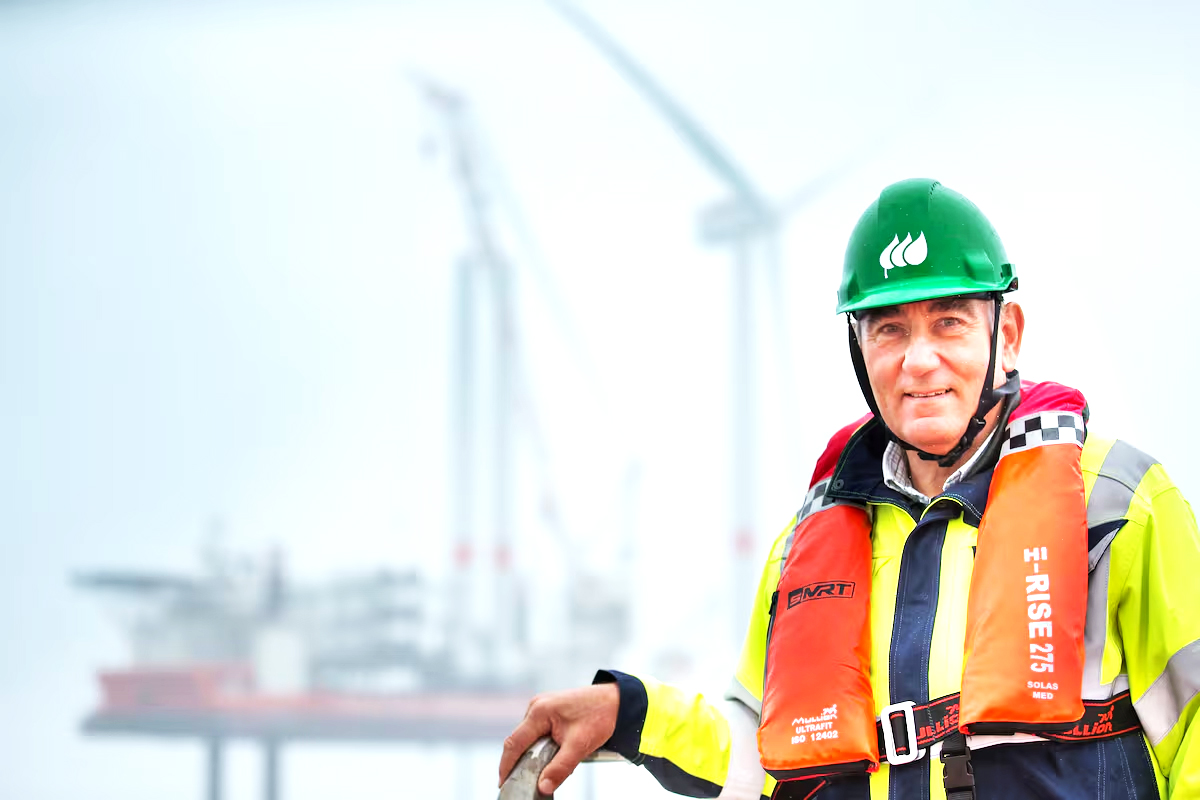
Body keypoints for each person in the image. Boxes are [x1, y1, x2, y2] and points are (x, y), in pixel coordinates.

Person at [498, 179, 1200, 799]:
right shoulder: (808, 541)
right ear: (860, 352)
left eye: (949, 322)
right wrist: (628, 714)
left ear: (1006, 334)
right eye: (889, 329)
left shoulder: (1116, 505)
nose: (918, 360)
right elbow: (766, 755)